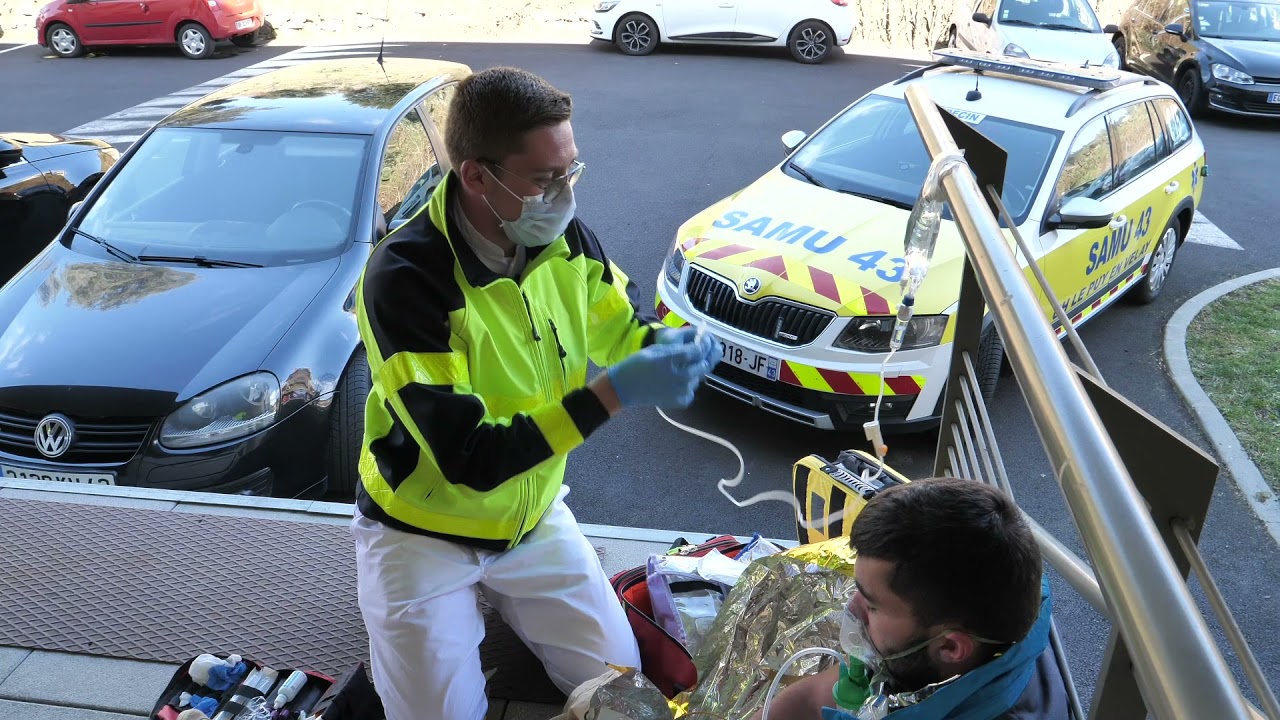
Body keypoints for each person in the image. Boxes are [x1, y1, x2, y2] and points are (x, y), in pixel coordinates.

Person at [350, 66, 719, 720]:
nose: (565, 194)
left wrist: (661, 348)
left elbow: (618, 327)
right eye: (547, 178)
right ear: (476, 177)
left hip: (531, 517)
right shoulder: (405, 279)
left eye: (572, 171)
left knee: (618, 681)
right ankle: (407, 641)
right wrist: (609, 395)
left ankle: (477, 619)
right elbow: (470, 458)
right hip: (421, 529)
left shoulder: (565, 238)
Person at [756, 477, 1068, 720]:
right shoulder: (990, 615)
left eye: (873, 605)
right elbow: (812, 700)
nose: (852, 608)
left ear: (950, 646)